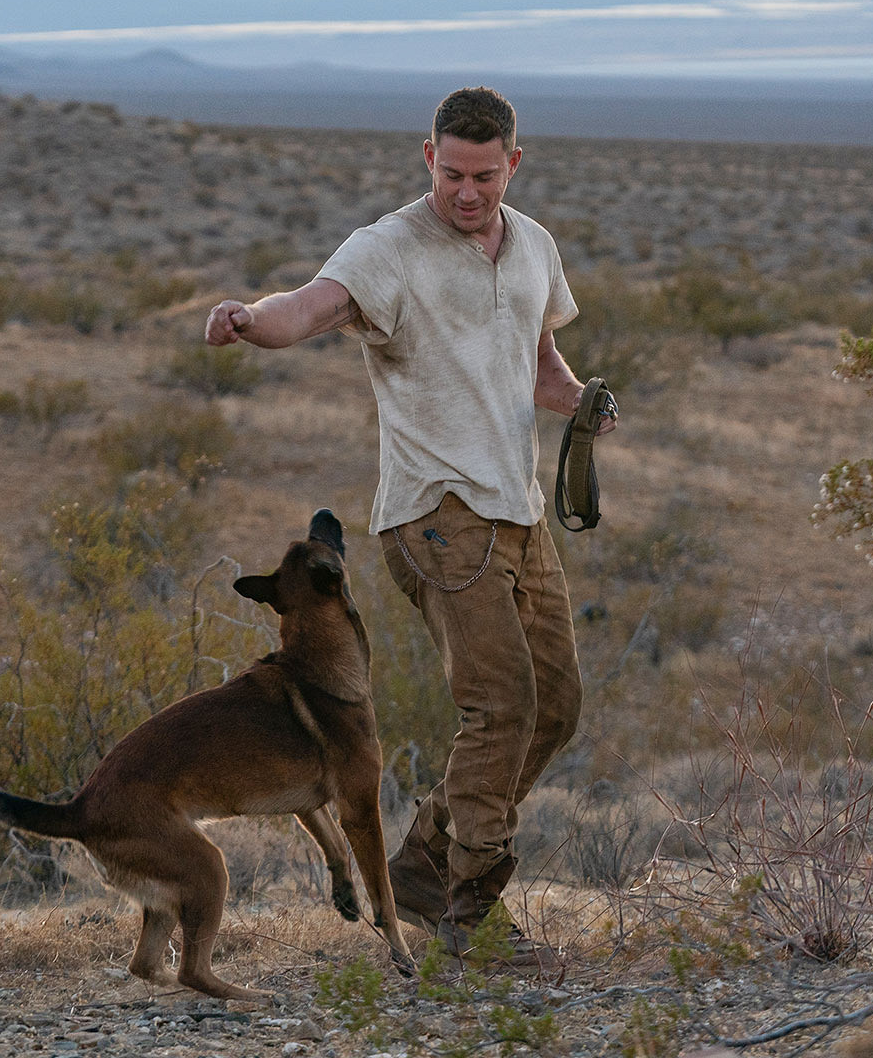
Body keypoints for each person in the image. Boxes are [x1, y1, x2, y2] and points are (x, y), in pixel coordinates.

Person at [205, 86, 615, 967]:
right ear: (428, 156)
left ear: (514, 162)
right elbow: (310, 306)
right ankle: (469, 915)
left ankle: (426, 869)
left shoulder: (535, 244)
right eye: (452, 173)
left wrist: (582, 403)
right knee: (500, 705)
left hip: (521, 513)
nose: (468, 193)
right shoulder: (388, 248)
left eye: (486, 176)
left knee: (556, 709)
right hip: (436, 517)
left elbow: (541, 366)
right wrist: (251, 322)